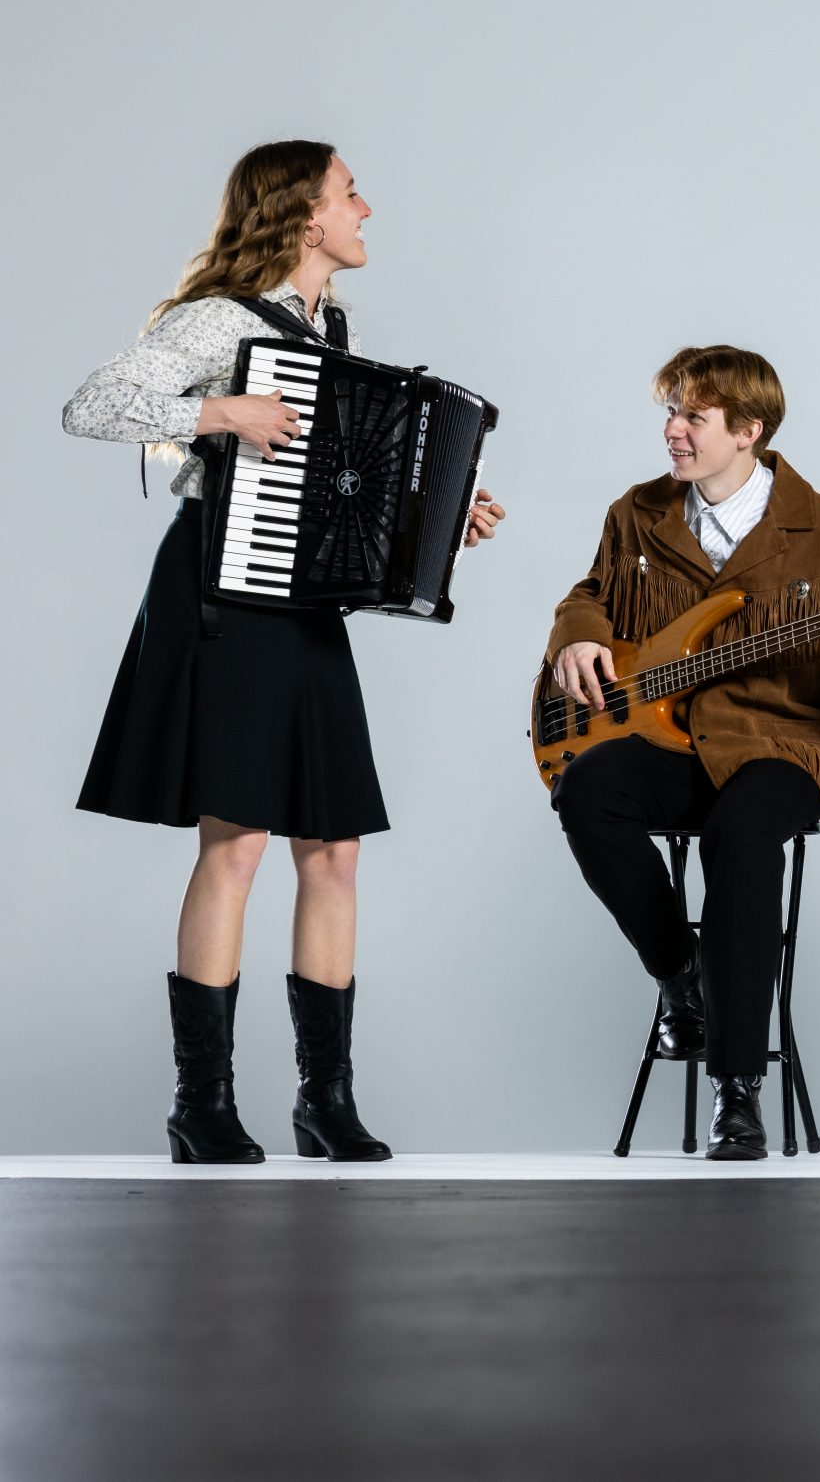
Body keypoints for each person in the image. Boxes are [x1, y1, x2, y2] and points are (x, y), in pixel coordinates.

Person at [64, 140, 504, 1164]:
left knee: (334, 849)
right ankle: (201, 1107)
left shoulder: (327, 326)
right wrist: (217, 410)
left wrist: (434, 518)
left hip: (299, 598)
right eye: (351, 193)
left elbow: (324, 483)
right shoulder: (221, 319)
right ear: (307, 214)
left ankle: (326, 1102)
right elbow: (90, 405)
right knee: (238, 841)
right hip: (219, 591)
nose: (366, 208)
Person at [548, 345, 820, 1161]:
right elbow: (591, 594)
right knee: (586, 791)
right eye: (673, 411)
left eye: (693, 416)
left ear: (749, 430)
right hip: (671, 738)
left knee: (742, 832)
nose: (673, 431)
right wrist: (576, 637)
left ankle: (737, 1087)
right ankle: (680, 978)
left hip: (784, 741)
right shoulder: (638, 512)